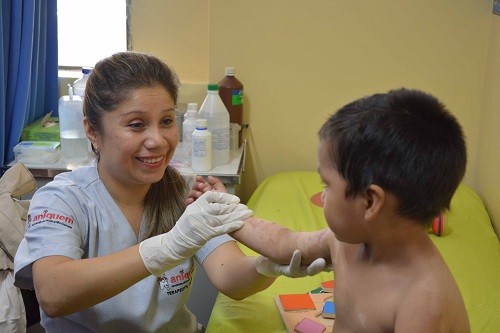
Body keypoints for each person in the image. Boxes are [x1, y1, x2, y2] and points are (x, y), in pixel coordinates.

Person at [13, 51, 325, 333]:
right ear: (93, 131)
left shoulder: (184, 190)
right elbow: (54, 294)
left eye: (166, 121)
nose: (158, 141)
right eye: (136, 125)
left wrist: (265, 267)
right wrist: (171, 245)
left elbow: (230, 277)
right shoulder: (62, 199)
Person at [194, 88, 471, 332]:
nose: (322, 196)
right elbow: (282, 243)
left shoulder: (423, 302)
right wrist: (226, 213)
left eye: (327, 184)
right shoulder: (345, 243)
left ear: (371, 202)